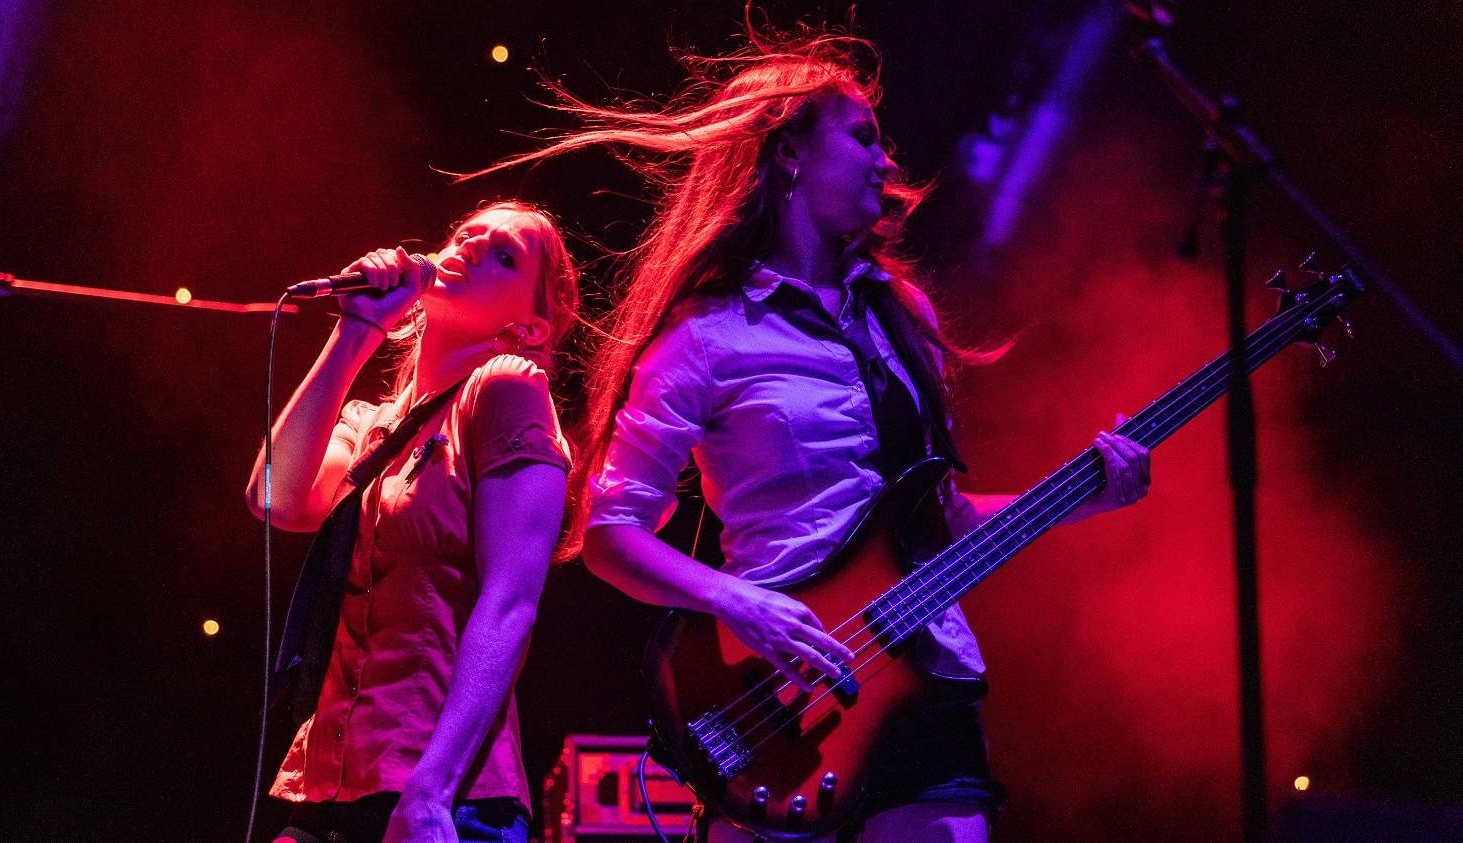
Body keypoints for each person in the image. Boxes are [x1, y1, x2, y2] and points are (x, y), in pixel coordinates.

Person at [482, 26, 1150, 842]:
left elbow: (935, 520)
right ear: (789, 153)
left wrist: (1082, 493)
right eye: (863, 137)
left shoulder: (904, 318)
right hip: (775, 697)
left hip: (926, 680)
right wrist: (736, 600)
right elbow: (610, 534)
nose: (887, 162)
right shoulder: (707, 334)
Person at [244, 201, 580, 843]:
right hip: (324, 785)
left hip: (443, 796)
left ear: (528, 329)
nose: (476, 245)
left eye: (504, 254)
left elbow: (510, 601)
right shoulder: (371, 428)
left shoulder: (507, 388)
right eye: (468, 235)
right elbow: (273, 498)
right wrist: (356, 331)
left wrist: (430, 793)